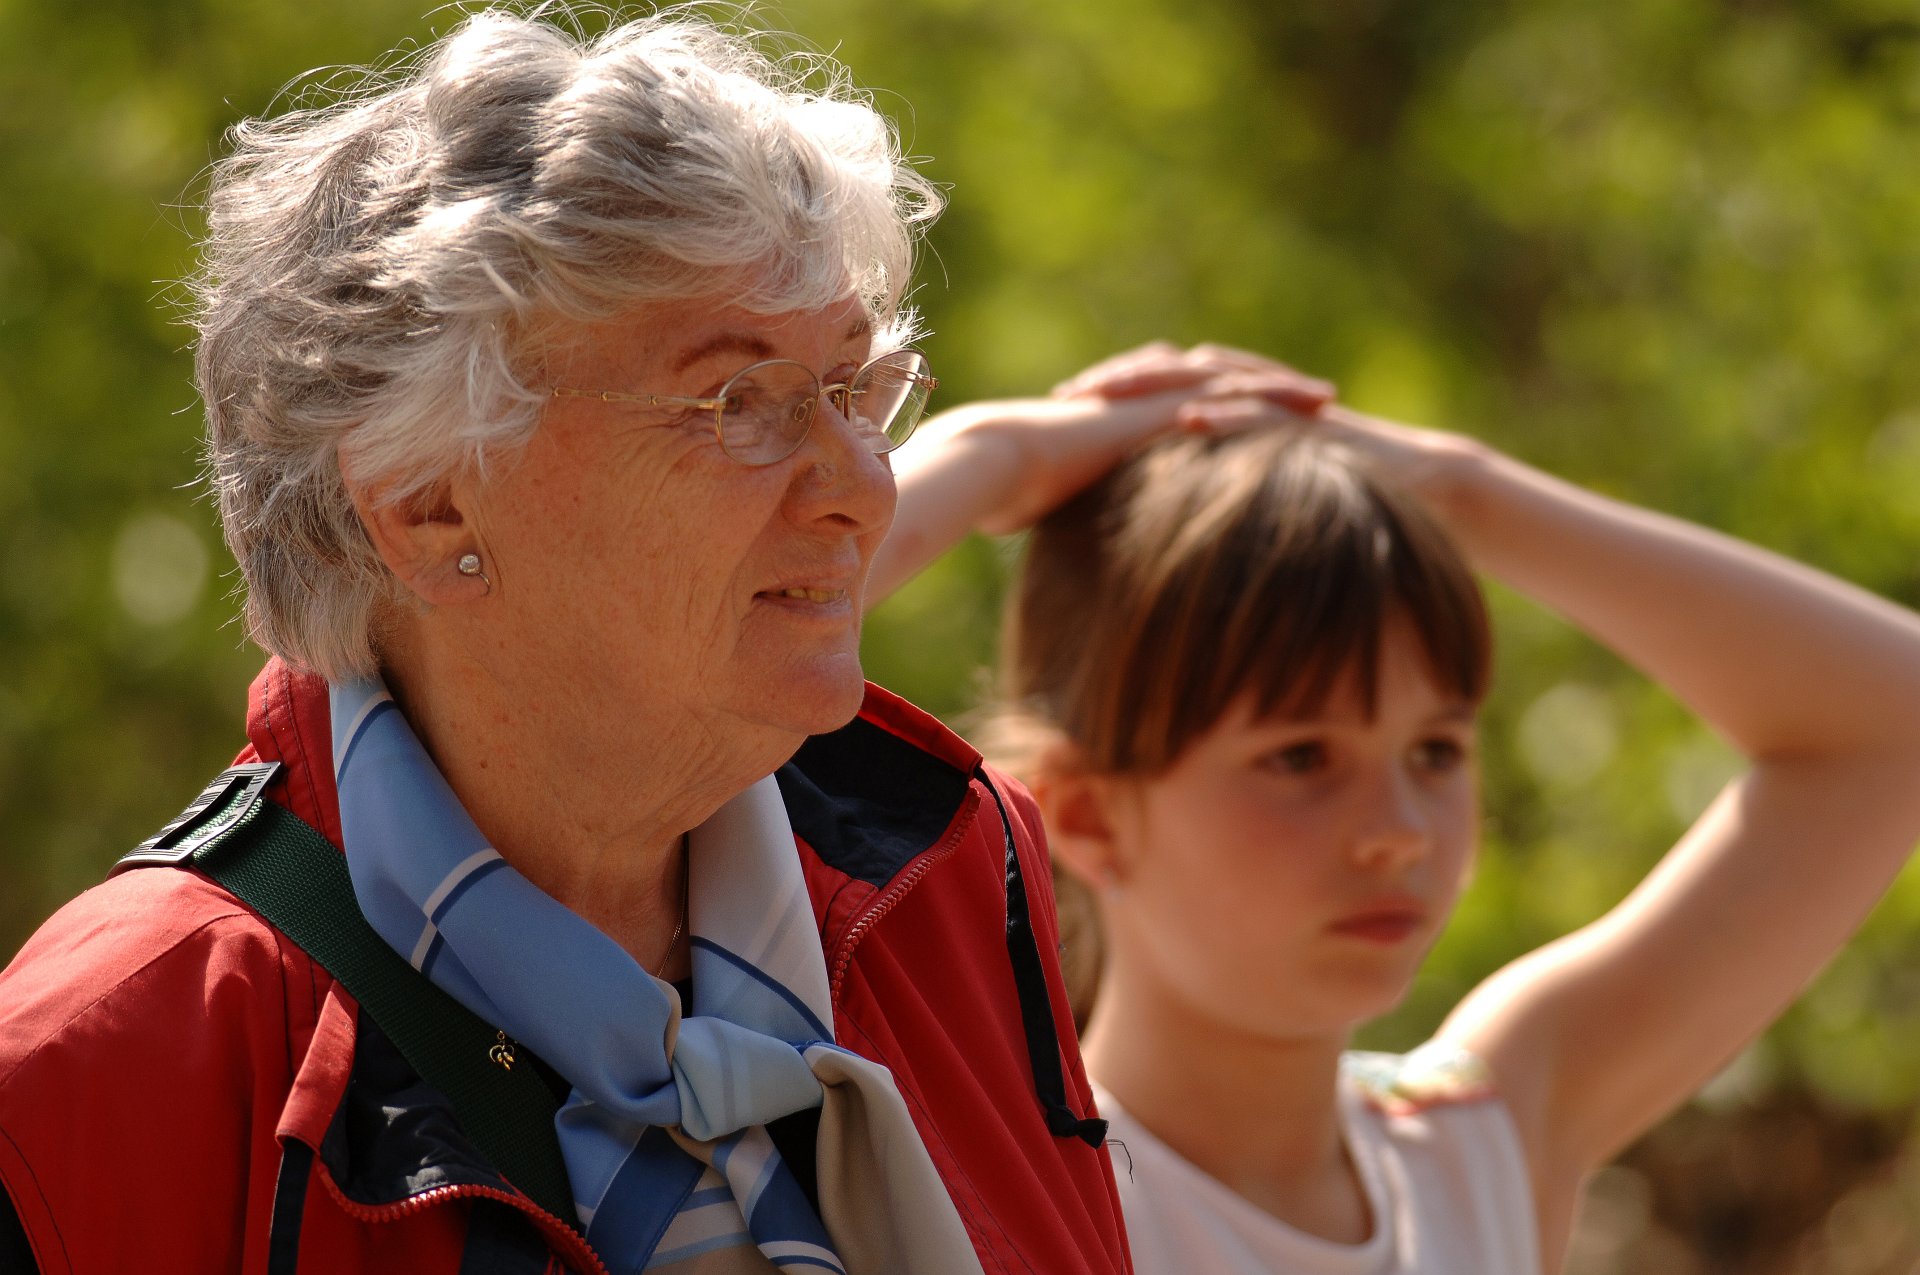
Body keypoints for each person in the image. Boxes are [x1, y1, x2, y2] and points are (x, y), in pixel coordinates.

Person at [0, 13, 1287, 1273]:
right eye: (740, 402)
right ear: (425, 504)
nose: (861, 485)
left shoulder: (951, 870)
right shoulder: (101, 1072)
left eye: (856, 385)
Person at [875, 344, 1920, 1273]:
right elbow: (756, 652)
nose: (1401, 832)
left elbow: (1892, 724)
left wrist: (1461, 492)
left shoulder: (1478, 1145)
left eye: (1435, 750)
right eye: (1300, 757)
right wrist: (990, 454)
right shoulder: (993, 1189)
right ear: (1085, 815)